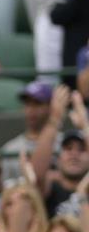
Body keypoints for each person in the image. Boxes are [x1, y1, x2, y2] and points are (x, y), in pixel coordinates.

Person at [31, 86, 89, 215]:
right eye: (68, 148)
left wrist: (85, 125)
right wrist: (54, 119)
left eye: (81, 149)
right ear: (58, 157)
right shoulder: (50, 188)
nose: (74, 154)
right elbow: (37, 173)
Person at [0, 81, 54, 185]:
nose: (31, 109)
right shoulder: (10, 149)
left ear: (50, 107)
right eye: (27, 104)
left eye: (37, 103)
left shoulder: (65, 144)